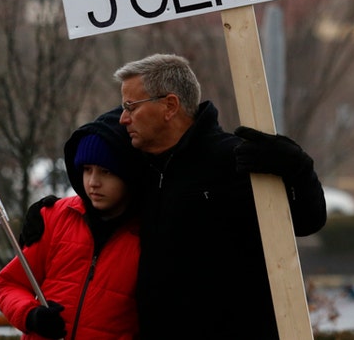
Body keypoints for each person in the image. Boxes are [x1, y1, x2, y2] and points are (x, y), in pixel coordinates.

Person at [114, 52, 327, 339]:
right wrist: (50, 210)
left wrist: (299, 169)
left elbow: (307, 221)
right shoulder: (139, 167)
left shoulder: (237, 158)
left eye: (130, 106)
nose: (123, 119)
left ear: (170, 106)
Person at [0, 107, 142, 340]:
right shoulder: (55, 218)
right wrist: (31, 315)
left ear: (129, 175)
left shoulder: (149, 232)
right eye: (86, 170)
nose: (93, 182)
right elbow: (9, 284)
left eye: (106, 171)